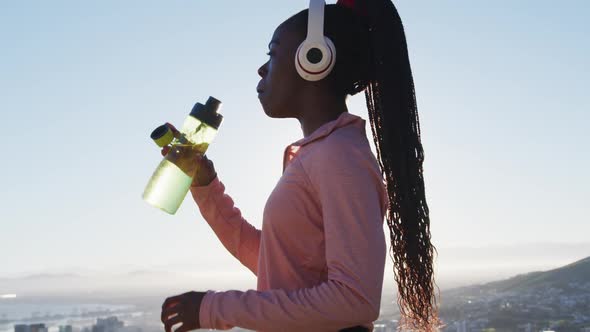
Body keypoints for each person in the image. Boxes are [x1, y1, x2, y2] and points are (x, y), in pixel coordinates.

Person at [160, 0, 440, 331]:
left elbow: (354, 298)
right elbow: (276, 264)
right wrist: (205, 185)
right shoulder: (321, 152)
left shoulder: (340, 156)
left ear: (315, 59)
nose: (262, 69)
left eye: (273, 54)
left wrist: (215, 308)